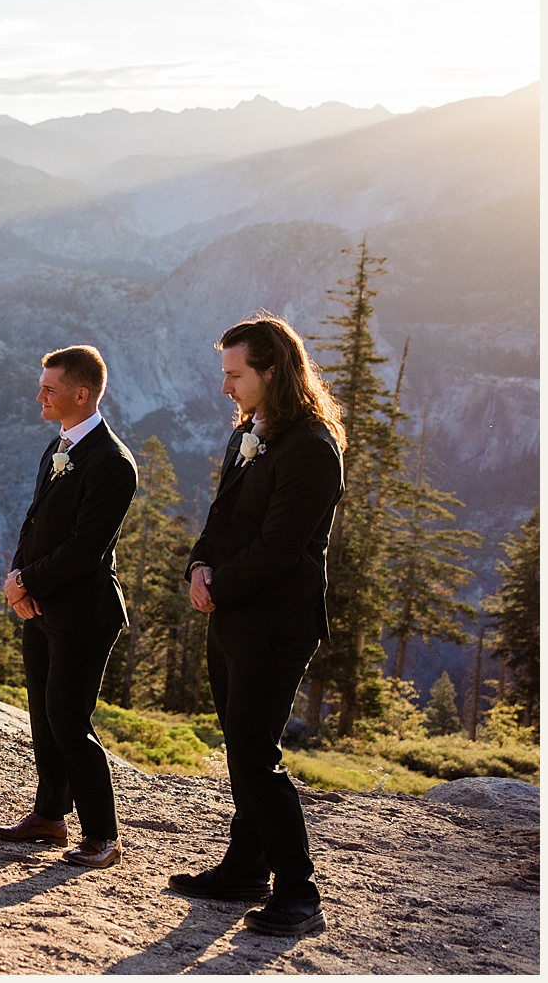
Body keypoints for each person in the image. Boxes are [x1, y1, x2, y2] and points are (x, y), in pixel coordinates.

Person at [170, 316, 346, 936]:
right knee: (240, 747)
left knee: (254, 754)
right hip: (233, 615)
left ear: (272, 372)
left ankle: (300, 894)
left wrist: (217, 585)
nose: (226, 388)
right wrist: (198, 563)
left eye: (235, 375)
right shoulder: (251, 432)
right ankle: (244, 866)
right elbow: (223, 519)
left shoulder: (312, 447)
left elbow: (279, 548)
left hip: (277, 624)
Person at [0, 345, 136, 869]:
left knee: (70, 719)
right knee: (43, 718)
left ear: (81, 394)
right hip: (43, 607)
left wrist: (27, 580)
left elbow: (84, 548)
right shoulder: (59, 447)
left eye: (49, 389)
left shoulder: (113, 462)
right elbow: (35, 523)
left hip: (85, 614)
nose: (39, 396)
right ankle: (49, 816)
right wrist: (20, 584)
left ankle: (103, 835)